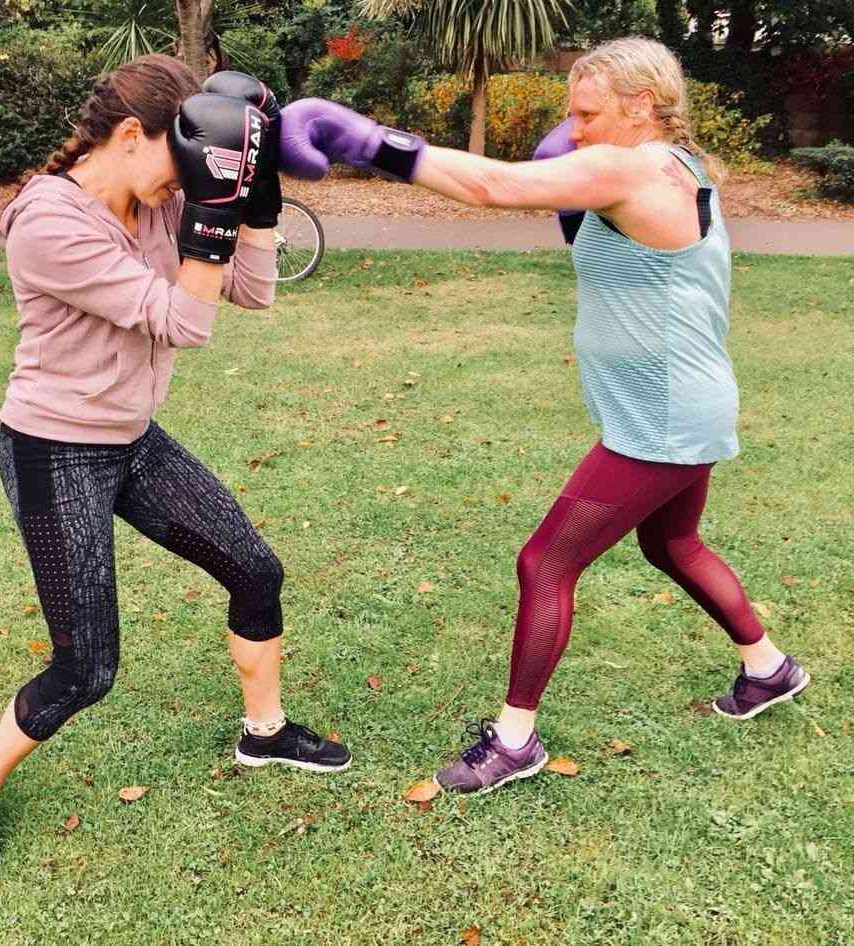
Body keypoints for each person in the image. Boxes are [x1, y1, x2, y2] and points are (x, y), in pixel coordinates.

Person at [276, 37, 809, 795]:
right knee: (675, 544)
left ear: (641, 106)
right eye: (572, 113)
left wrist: (368, 140)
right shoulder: (673, 168)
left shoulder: (631, 164)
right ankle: (768, 669)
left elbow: (491, 187)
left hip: (659, 421)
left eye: (587, 113)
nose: (576, 128)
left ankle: (515, 741)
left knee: (546, 562)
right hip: (682, 404)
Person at [0, 56, 349, 882]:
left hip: (128, 438)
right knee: (86, 667)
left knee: (254, 569)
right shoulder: (50, 222)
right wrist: (210, 211)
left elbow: (254, 295)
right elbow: (182, 322)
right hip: (55, 450)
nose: (184, 184)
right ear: (131, 136)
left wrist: (255, 198)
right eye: (182, 159)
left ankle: (263, 734)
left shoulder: (158, 200)